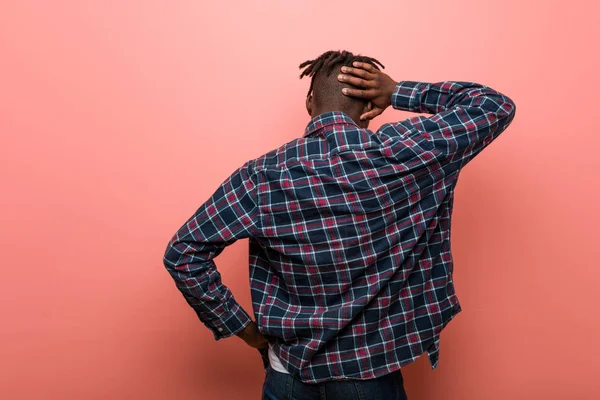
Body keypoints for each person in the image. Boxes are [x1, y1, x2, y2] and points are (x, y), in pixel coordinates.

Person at [162, 50, 516, 399]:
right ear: (368, 108)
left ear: (309, 102)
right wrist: (396, 91)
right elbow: (493, 106)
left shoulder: (261, 176)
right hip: (371, 376)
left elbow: (183, 254)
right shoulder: (406, 153)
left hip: (289, 375)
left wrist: (246, 331)